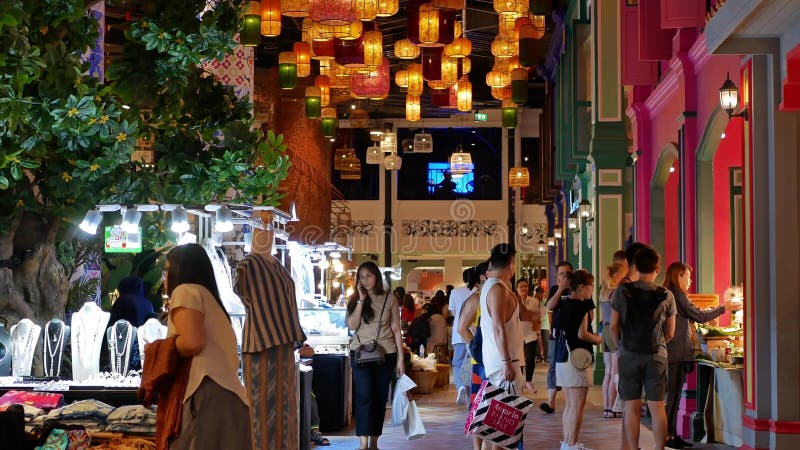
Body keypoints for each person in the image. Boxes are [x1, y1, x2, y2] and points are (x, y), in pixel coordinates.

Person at [163, 243, 252, 449]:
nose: (165, 276)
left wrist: (162, 349)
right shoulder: (209, 297)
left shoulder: (185, 291)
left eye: (167, 269)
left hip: (205, 395)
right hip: (226, 396)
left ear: (180, 269)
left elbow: (192, 341)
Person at [236, 211, 307, 450]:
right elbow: (241, 291)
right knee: (262, 410)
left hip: (283, 347)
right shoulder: (248, 264)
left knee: (285, 409)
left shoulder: (277, 265)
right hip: (260, 347)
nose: (267, 232)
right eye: (262, 227)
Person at [662, 262, 741, 450]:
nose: (690, 281)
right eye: (687, 277)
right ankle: (666, 436)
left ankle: (670, 434)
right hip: (676, 351)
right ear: (678, 276)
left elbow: (693, 315)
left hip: (678, 351)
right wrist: (723, 308)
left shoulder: (674, 294)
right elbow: (697, 314)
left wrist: (706, 314)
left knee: (673, 396)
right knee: (672, 396)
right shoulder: (676, 294)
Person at [610, 246, 677, 450]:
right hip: (656, 355)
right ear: (658, 268)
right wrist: (658, 344)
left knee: (632, 407)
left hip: (629, 354)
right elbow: (671, 332)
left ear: (635, 267)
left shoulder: (622, 291)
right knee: (657, 407)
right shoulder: (667, 295)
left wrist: (620, 345)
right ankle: (659, 448)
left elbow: (613, 326)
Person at [346, 261, 404, 450]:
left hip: (386, 354)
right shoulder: (355, 299)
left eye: (369, 275)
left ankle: (374, 441)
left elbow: (396, 329)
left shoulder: (390, 298)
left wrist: (401, 359)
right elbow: (352, 325)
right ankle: (363, 443)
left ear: (376, 277)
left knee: (379, 398)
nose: (365, 280)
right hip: (360, 354)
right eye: (362, 276)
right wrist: (361, 300)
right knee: (364, 396)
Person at [480, 243, 525, 449]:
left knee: (498, 422)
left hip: (500, 360)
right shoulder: (497, 288)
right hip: (504, 362)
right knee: (504, 425)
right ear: (511, 264)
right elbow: (498, 328)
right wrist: (507, 361)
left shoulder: (492, 286)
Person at [555, 270, 602, 450]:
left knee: (570, 405)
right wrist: (598, 339)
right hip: (577, 358)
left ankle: (568, 442)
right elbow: (582, 334)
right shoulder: (580, 306)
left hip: (563, 357)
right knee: (577, 404)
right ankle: (572, 444)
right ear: (582, 287)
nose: (591, 291)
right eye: (590, 287)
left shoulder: (562, 304)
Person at [457, 260, 489, 450]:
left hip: (490, 361)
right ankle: (478, 447)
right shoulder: (477, 299)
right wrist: (477, 348)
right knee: (478, 406)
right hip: (480, 362)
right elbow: (462, 328)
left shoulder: (489, 297)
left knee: (490, 405)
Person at [541, 261, 574, 414]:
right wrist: (561, 289)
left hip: (573, 337)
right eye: (561, 274)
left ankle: (572, 401)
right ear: (558, 276)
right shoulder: (555, 289)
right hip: (556, 336)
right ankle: (551, 402)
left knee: (571, 368)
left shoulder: (578, 289)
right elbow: (549, 307)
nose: (564, 276)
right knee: (553, 367)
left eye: (567, 273)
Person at [600, 262, 626, 418]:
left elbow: (603, 318)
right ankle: (612, 407)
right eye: (623, 274)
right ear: (617, 275)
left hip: (605, 331)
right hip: (614, 331)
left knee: (608, 372)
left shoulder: (603, 291)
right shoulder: (616, 292)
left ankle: (606, 406)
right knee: (615, 372)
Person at [449, 268, 476, 403]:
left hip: (459, 333)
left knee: (457, 363)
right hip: (474, 332)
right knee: (473, 362)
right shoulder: (478, 292)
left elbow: (453, 312)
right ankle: (472, 390)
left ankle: (460, 387)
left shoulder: (455, 292)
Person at [516, 278, 540, 394]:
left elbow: (534, 318)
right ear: (517, 289)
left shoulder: (534, 301)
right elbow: (521, 316)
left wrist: (525, 314)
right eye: (521, 287)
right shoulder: (514, 301)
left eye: (526, 286)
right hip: (517, 334)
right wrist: (526, 314)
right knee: (519, 359)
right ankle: (519, 383)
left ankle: (528, 380)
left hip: (530, 333)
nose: (524, 288)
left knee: (530, 358)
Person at [536, 287, 550, 362]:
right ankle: (538, 356)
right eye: (539, 293)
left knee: (546, 340)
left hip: (545, 323)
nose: (541, 294)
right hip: (536, 322)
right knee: (537, 340)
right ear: (536, 293)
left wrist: (550, 324)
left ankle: (546, 356)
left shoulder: (546, 301)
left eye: (542, 293)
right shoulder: (533, 301)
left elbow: (550, 314)